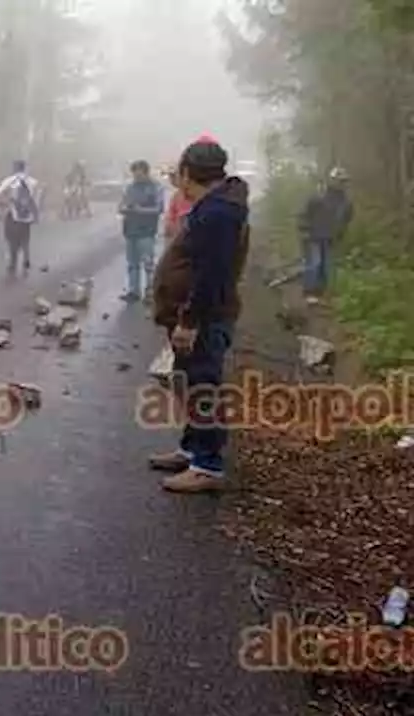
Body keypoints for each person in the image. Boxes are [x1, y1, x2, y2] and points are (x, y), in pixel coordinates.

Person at [149, 139, 250, 494]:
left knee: (203, 385)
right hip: (193, 315)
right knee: (189, 382)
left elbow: (212, 273)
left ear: (190, 173)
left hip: (205, 317)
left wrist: (190, 322)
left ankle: (207, 465)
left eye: (181, 174)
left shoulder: (218, 213)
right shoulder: (214, 206)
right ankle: (192, 449)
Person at [297, 166, 353, 304]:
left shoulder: (345, 201)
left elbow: (347, 218)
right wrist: (304, 229)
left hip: (330, 238)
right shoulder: (319, 195)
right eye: (339, 180)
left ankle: (320, 293)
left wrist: (340, 233)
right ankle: (309, 292)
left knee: (326, 267)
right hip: (313, 236)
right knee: (314, 264)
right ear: (332, 180)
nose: (341, 184)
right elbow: (305, 213)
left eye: (343, 181)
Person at [118, 160, 165, 301]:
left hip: (146, 231)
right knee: (132, 264)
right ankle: (134, 292)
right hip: (130, 230)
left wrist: (141, 210)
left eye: (139, 174)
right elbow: (121, 205)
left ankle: (150, 291)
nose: (136, 177)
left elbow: (159, 208)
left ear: (146, 172)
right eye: (134, 174)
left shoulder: (155, 188)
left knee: (148, 263)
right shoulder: (130, 188)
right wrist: (125, 209)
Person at [0, 160, 42, 273]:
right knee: (25, 238)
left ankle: (13, 263)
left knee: (12, 239)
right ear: (24, 168)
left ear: (14, 168)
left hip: (13, 214)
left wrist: (5, 201)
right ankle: (26, 260)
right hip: (27, 216)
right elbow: (38, 196)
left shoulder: (10, 180)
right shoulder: (32, 181)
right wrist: (35, 213)